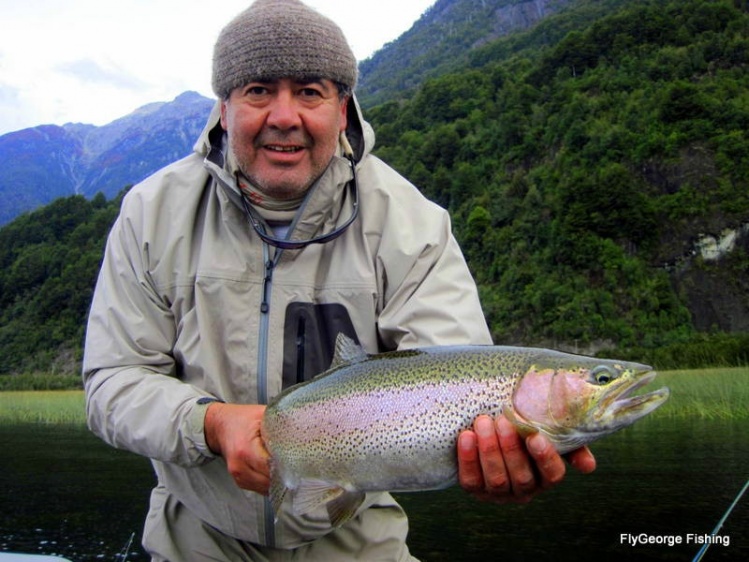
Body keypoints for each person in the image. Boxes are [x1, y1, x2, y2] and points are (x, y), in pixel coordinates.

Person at [83, 0, 595, 560]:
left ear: (343, 107)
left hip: (357, 539)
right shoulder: (151, 213)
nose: (284, 115)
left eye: (310, 91)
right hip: (196, 539)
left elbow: (454, 368)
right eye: (257, 90)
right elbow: (112, 381)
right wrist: (208, 424)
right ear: (224, 109)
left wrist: (492, 451)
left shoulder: (410, 222)